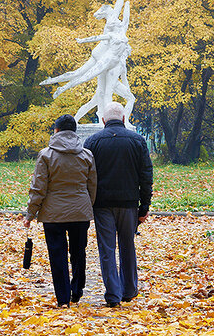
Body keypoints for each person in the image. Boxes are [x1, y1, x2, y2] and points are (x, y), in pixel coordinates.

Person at [23, 114, 97, 307]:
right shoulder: (86, 155)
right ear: (74, 131)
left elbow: (39, 187)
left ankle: (63, 298)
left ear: (56, 130)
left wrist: (30, 213)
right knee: (79, 251)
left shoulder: (46, 155)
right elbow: (93, 185)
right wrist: (88, 205)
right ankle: (77, 289)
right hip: (80, 211)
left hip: (53, 214)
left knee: (58, 254)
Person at [85, 101, 153, 307]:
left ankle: (113, 294)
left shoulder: (92, 142)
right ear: (124, 119)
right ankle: (129, 289)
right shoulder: (138, 141)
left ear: (103, 120)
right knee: (127, 246)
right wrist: (144, 207)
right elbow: (146, 176)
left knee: (107, 249)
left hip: (102, 204)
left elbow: (85, 175)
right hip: (129, 203)